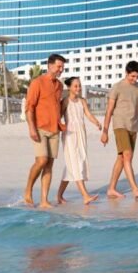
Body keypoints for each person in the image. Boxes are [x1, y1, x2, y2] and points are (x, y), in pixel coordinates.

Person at [100, 61, 138, 199]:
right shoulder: (117, 87)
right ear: (126, 73)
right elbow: (109, 110)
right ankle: (135, 189)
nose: (135, 79)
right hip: (120, 125)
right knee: (127, 155)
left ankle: (111, 188)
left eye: (137, 76)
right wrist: (104, 131)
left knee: (122, 158)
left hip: (133, 126)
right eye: (132, 76)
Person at [23, 54, 66, 209]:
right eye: (58, 66)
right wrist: (31, 128)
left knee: (49, 165)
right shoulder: (37, 83)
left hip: (55, 129)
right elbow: (29, 107)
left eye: (62, 67)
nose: (61, 70)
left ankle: (44, 200)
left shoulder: (60, 86)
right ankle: (28, 191)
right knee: (41, 161)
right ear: (49, 65)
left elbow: (57, 107)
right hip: (40, 128)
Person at [57, 76, 102, 205]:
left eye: (79, 85)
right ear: (69, 87)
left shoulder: (82, 101)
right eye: (76, 86)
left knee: (73, 165)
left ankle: (59, 196)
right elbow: (58, 117)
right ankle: (85, 196)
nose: (78, 88)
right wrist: (60, 127)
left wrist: (96, 122)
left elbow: (88, 114)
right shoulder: (65, 101)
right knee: (75, 164)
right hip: (70, 135)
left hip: (81, 134)